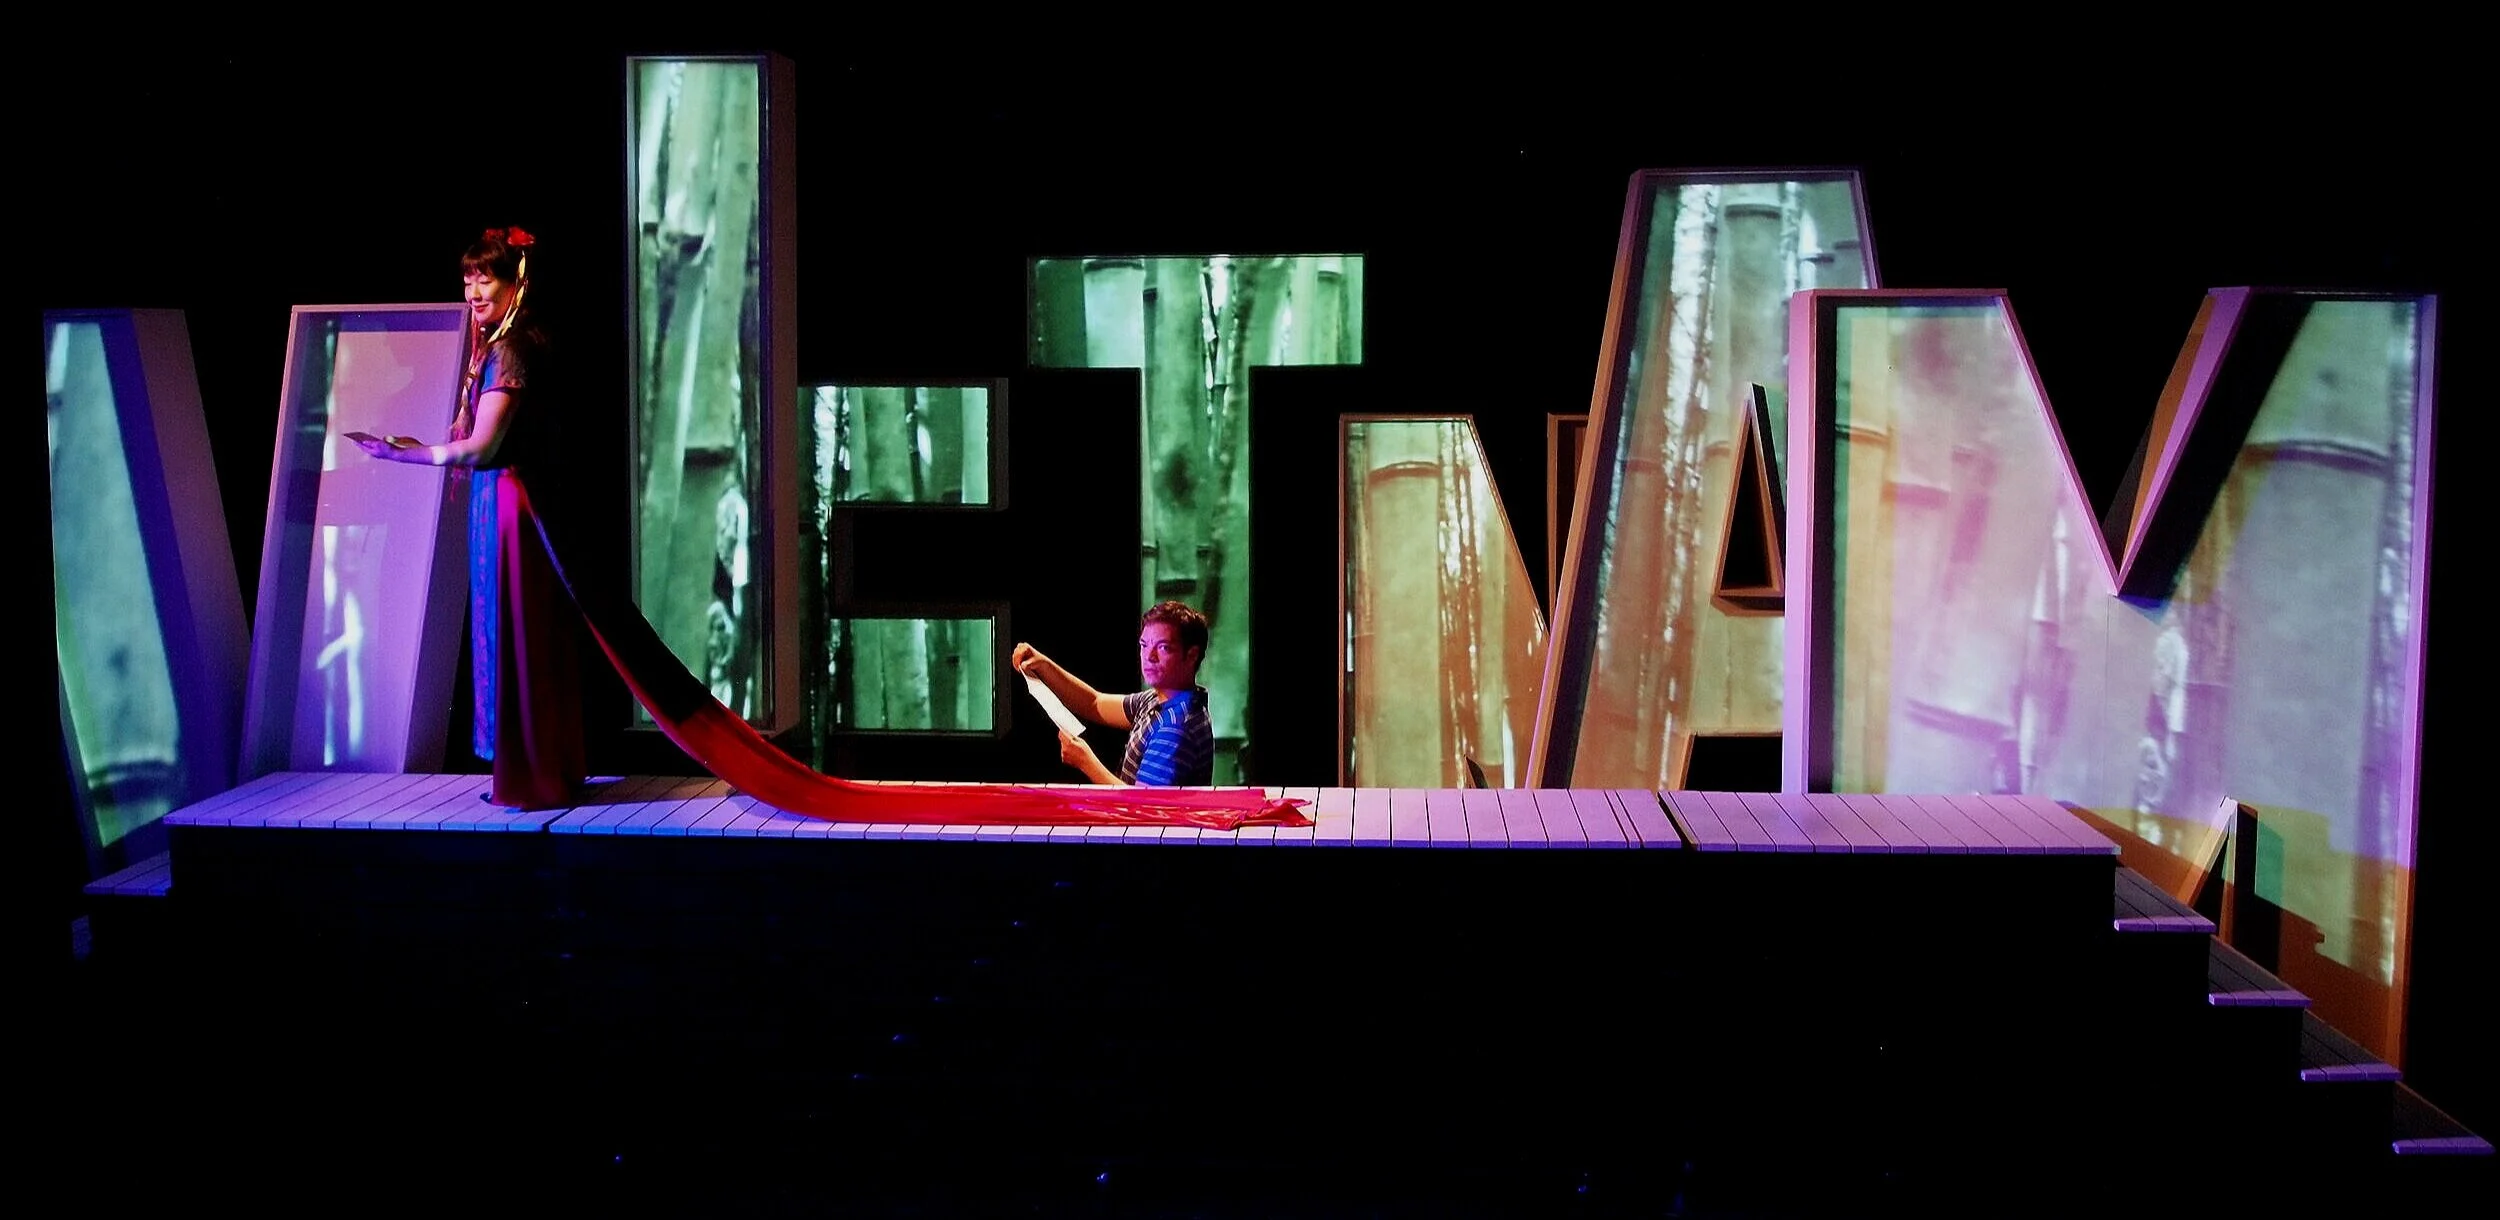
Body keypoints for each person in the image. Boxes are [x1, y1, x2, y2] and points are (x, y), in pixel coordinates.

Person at [350, 226, 584, 810]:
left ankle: (530, 778)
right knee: (520, 634)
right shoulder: (510, 343)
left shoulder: (512, 349)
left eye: (486, 279)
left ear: (516, 284)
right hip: (504, 499)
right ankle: (542, 771)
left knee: (513, 635)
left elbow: (483, 448)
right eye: (467, 279)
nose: (474, 291)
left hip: (508, 503)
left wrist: (405, 456)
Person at [1013, 601, 1215, 786]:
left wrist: (1085, 762)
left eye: (1163, 648)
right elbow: (1094, 703)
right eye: (1144, 645)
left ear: (1191, 655)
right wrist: (1043, 665)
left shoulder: (1175, 726)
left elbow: (1143, 806)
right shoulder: (1157, 699)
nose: (1149, 657)